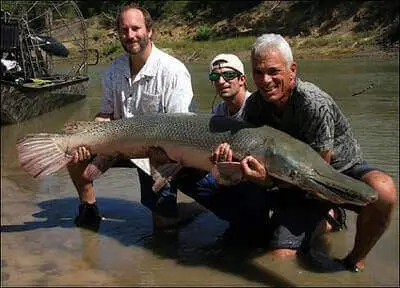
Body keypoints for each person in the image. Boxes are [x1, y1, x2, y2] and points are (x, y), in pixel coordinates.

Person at [214, 33, 397, 271]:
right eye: (258, 72)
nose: (265, 80)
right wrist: (236, 168)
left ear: (292, 70)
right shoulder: (254, 106)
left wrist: (270, 182)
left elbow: (317, 177)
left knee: (383, 190)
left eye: (273, 71)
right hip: (290, 180)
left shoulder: (313, 102)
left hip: (333, 172)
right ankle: (326, 220)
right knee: (280, 258)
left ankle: (354, 258)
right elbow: (254, 161)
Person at [67, 2, 194, 231]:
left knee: (164, 228)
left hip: (157, 153)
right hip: (118, 144)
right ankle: (88, 208)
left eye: (136, 29)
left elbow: (180, 130)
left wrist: (161, 162)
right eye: (124, 30)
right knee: (73, 150)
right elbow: (105, 115)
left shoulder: (173, 72)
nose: (130, 35)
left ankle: (191, 211)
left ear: (149, 30)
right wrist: (87, 137)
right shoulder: (114, 71)